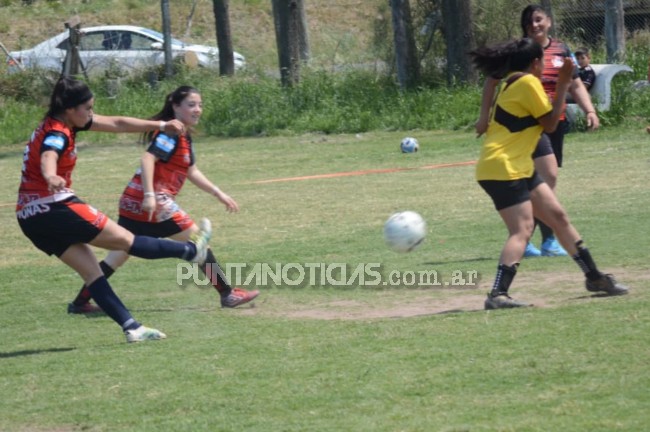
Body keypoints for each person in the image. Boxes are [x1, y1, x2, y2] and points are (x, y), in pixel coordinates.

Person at [16, 77, 213, 343]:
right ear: (71, 109)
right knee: (126, 241)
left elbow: (118, 123)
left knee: (91, 272)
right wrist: (50, 175)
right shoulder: (58, 132)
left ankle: (132, 328)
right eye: (87, 108)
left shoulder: (61, 122)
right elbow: (49, 154)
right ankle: (191, 251)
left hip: (29, 217)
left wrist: (161, 125)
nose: (91, 114)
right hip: (54, 206)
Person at [67, 86, 259, 314]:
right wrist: (149, 195)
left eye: (200, 105)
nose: (197, 109)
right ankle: (228, 294)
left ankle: (80, 302)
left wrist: (219, 193)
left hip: (132, 201)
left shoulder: (182, 134)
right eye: (191, 105)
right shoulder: (171, 133)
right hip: (154, 202)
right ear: (175, 106)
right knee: (199, 242)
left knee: (118, 255)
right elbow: (148, 159)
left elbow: (191, 171)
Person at [469, 37, 628, 309]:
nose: (545, 66)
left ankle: (594, 277)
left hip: (516, 166)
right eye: (542, 61)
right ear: (535, 63)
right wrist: (564, 82)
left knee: (557, 217)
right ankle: (497, 294)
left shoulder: (512, 81)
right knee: (523, 229)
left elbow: (544, 122)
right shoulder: (528, 82)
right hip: (503, 167)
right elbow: (551, 124)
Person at [476, 4, 600, 258]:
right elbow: (491, 82)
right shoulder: (519, 53)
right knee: (545, 176)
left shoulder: (562, 50)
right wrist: (483, 117)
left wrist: (590, 110)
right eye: (529, 22)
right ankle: (534, 237)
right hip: (532, 126)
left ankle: (536, 237)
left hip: (552, 121)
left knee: (545, 179)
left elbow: (575, 83)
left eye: (538, 20)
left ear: (549, 22)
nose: (534, 25)